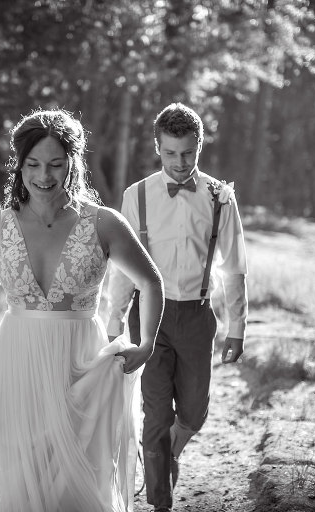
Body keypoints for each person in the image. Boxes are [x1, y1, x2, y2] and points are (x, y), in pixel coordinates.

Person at [0, 108, 165, 512]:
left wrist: (146, 344)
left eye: (56, 164)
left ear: (73, 163)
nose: (44, 176)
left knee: (78, 477)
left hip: (80, 367)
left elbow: (151, 282)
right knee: (23, 470)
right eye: (34, 164)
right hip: (18, 363)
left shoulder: (103, 223)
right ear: (18, 166)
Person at [106, 102, 249, 512]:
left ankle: (171, 449)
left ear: (199, 147)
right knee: (154, 413)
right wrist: (114, 320)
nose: (179, 162)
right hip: (148, 316)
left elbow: (235, 267)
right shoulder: (137, 196)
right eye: (170, 152)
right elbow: (122, 268)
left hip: (197, 316)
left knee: (193, 411)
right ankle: (159, 501)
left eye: (187, 152)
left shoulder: (220, 197)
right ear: (157, 147)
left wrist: (237, 327)